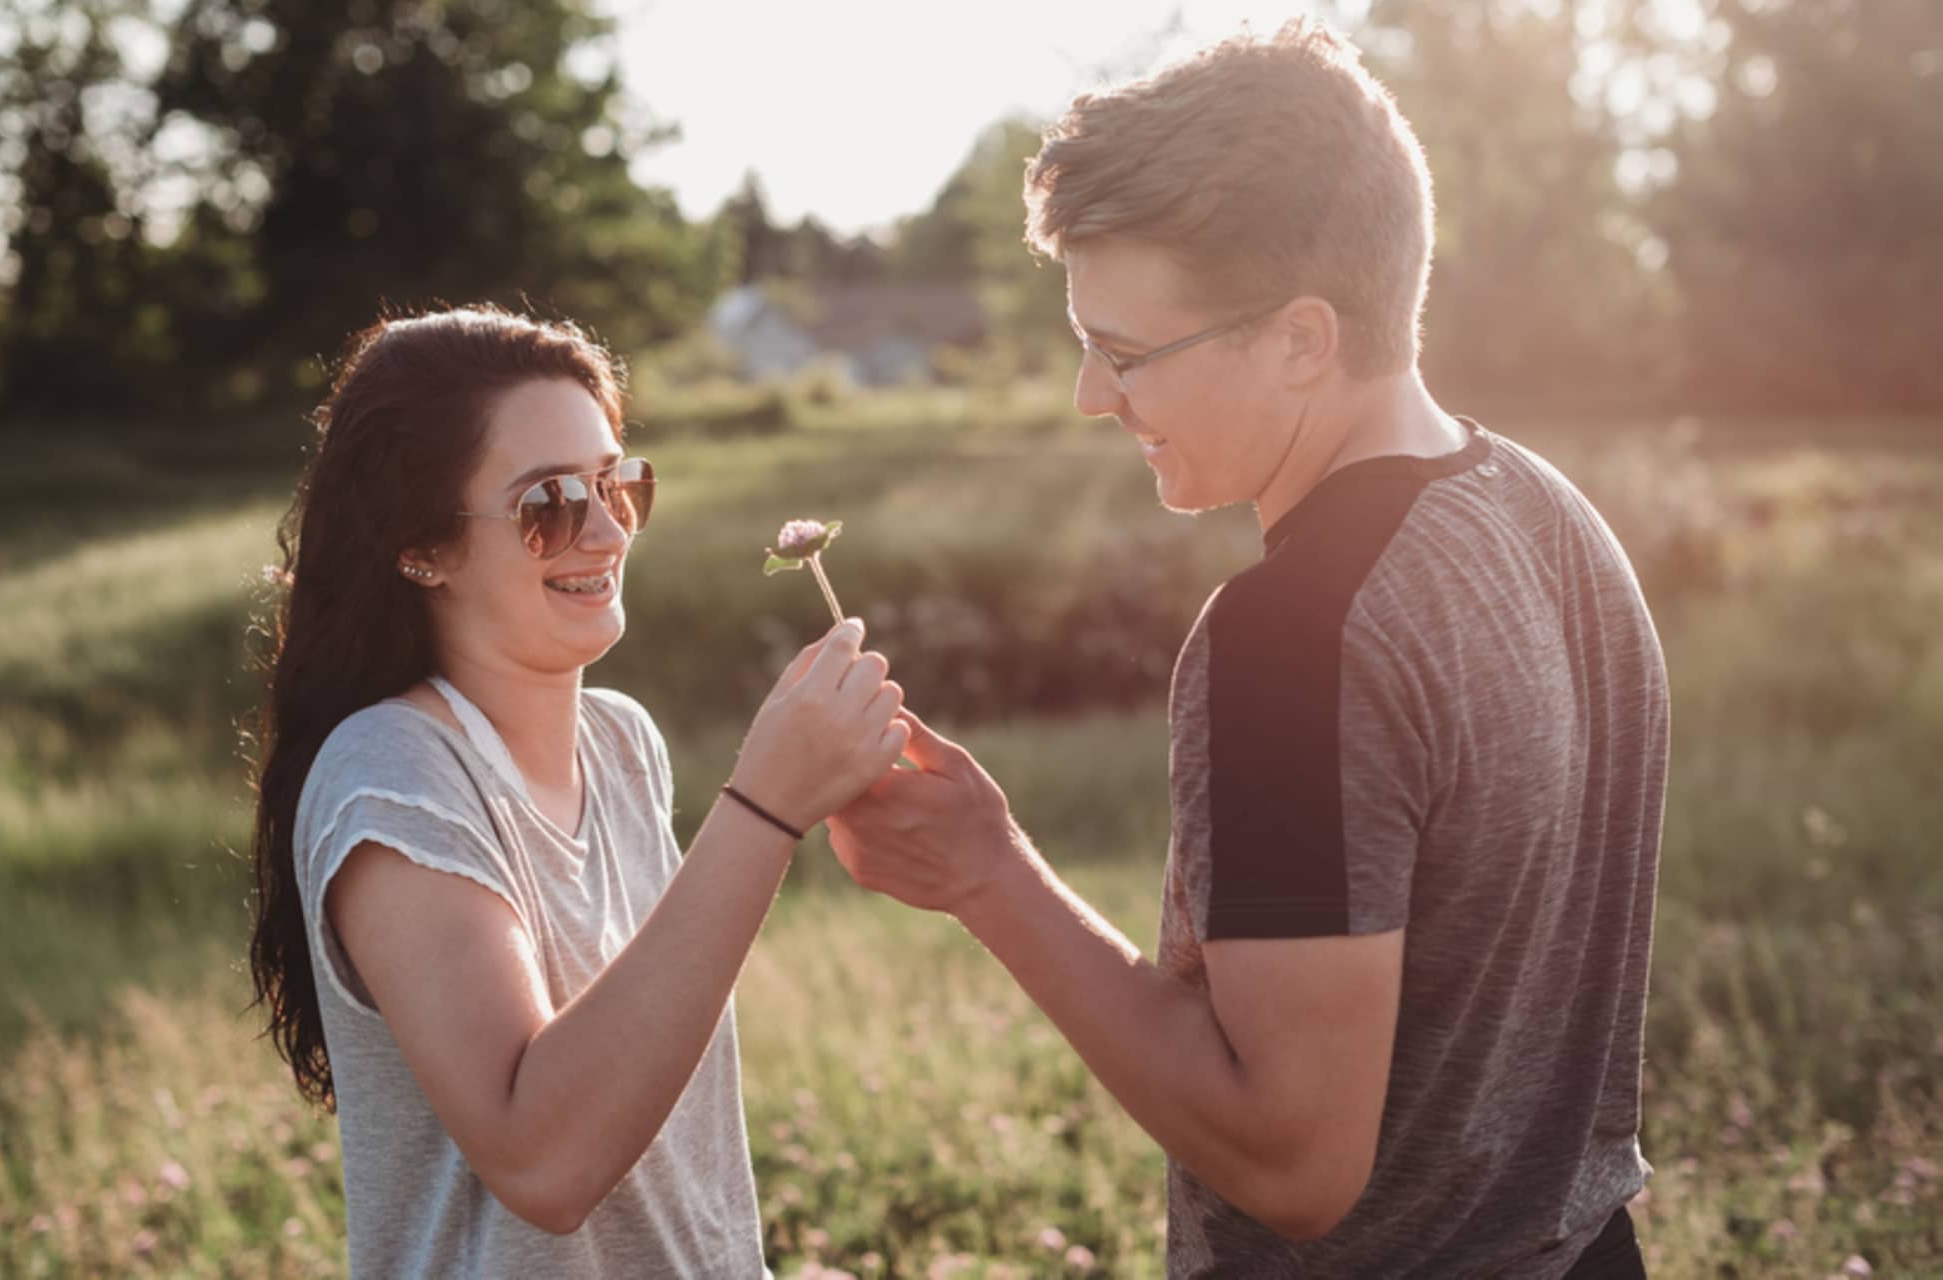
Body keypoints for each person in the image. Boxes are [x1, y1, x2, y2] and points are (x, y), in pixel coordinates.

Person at [827, 21, 1668, 1279]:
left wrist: (987, 875)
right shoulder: (1556, 516)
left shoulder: (1290, 642)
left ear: (1299, 339)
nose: (1088, 397)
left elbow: (1292, 1164)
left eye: (1121, 352)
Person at [245, 305, 907, 1277]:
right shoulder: (393, 775)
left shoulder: (623, 743)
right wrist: (763, 811)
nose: (603, 530)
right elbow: (543, 1160)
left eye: (618, 483)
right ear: (421, 545)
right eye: (547, 502)